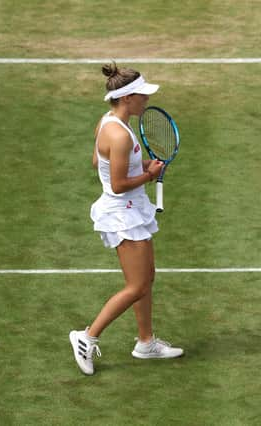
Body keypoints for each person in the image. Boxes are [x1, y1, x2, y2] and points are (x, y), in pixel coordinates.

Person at [69, 63, 183, 375]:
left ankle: (145, 343)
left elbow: (98, 161)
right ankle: (87, 337)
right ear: (127, 98)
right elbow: (118, 185)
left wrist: (142, 164)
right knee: (137, 285)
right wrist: (148, 174)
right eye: (142, 96)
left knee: (148, 278)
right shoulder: (119, 135)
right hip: (124, 215)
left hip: (129, 210)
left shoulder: (108, 122)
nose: (146, 101)